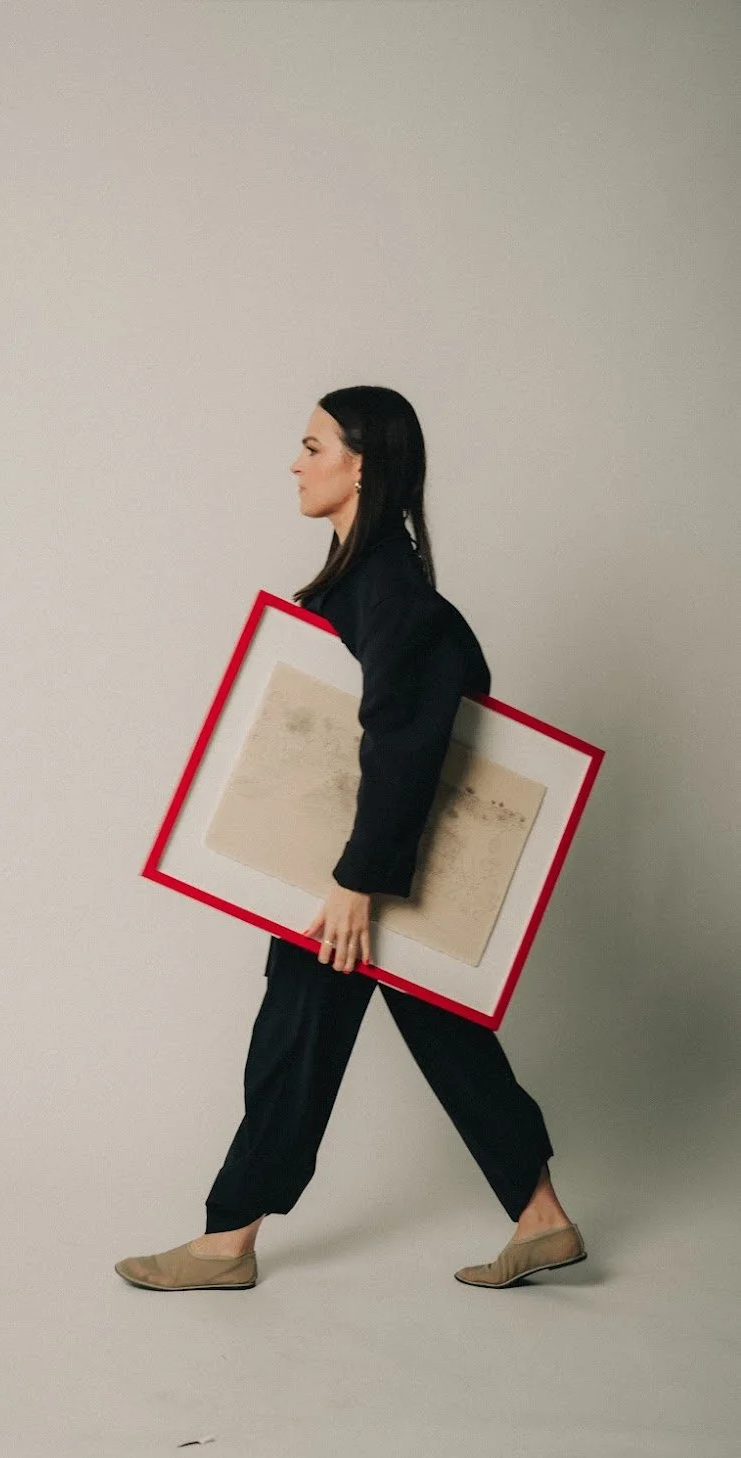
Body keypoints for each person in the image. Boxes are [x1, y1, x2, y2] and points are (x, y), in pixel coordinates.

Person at [115, 386, 586, 1293]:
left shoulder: (388, 589)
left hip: (356, 874)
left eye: (311, 444)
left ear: (360, 463)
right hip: (361, 867)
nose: (294, 462)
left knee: (297, 1030)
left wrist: (356, 879)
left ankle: (226, 1243)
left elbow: (405, 738)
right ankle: (542, 1218)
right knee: (439, 1020)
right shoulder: (367, 582)